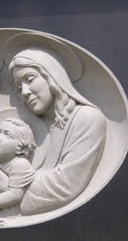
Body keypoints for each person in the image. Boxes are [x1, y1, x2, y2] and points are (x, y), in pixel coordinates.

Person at [8, 47, 106, 214]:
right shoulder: (34, 128)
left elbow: (66, 185)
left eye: (30, 79)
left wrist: (9, 188)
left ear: (52, 77)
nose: (24, 92)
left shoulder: (87, 119)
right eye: (18, 87)